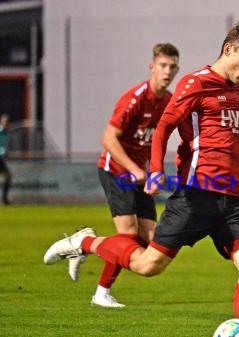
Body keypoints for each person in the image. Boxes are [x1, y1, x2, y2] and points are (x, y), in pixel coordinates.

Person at [43, 22, 239, 337]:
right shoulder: (195, 82)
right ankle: (85, 241)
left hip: (237, 199)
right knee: (148, 264)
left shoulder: (235, 91)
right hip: (197, 193)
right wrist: (156, 169)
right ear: (228, 49)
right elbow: (164, 127)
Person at [67, 43, 181, 308]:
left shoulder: (168, 101)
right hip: (116, 170)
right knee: (128, 235)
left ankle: (85, 247)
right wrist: (135, 170)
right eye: (163, 65)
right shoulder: (136, 98)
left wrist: (154, 173)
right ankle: (96, 278)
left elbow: (157, 142)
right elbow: (108, 138)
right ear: (152, 67)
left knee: (149, 241)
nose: (167, 71)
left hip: (139, 174)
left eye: (172, 67)